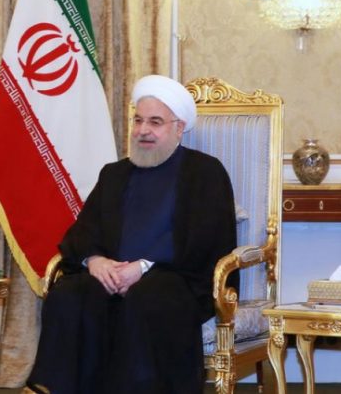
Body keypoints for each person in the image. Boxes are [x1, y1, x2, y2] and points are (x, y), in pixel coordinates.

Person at [25, 75, 238, 394]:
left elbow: (206, 239)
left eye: (155, 122)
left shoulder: (204, 172)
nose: (143, 130)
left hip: (175, 278)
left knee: (146, 299)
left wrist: (143, 267)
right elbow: (84, 230)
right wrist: (95, 261)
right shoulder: (115, 174)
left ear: (179, 128)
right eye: (138, 120)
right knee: (69, 294)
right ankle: (53, 388)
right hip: (111, 274)